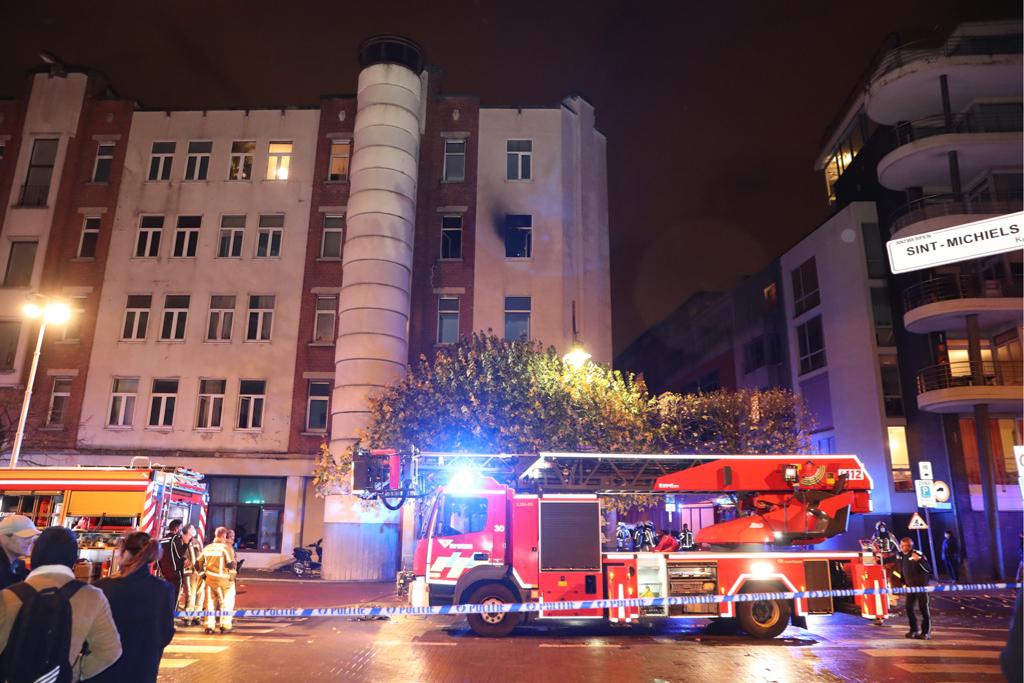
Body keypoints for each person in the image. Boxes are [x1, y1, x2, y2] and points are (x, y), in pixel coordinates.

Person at [0, 526, 121, 681]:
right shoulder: (93, 597)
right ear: (73, 557)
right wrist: (73, 672)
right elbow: (109, 651)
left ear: (36, 553)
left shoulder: (8, 596)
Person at [93, 532, 176, 683]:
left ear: (124, 553)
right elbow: (166, 632)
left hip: (102, 670)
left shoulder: (101, 587)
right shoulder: (164, 590)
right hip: (143, 670)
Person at [893, 536, 932, 639]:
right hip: (910, 587)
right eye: (903, 546)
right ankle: (913, 630)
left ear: (911, 546)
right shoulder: (900, 556)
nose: (905, 548)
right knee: (909, 608)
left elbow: (928, 569)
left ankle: (926, 632)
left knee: (923, 608)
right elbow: (901, 569)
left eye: (908, 546)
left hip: (921, 587)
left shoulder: (917, 554)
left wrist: (919, 561)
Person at [201, 527, 234, 634]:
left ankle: (209, 626)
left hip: (210, 580)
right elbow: (231, 564)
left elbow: (197, 563)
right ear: (224, 536)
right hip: (223, 581)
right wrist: (232, 577)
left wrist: (203, 575)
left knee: (209, 603)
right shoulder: (226, 548)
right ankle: (225, 625)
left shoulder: (207, 548)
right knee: (226, 603)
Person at [0, 514, 39, 589]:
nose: (30, 542)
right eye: (26, 537)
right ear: (3, 537)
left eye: (33, 537)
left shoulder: (18, 565)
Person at [182, 535, 205, 626]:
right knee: (191, 594)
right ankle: (188, 617)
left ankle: (197, 616)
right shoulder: (182, 543)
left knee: (200, 594)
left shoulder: (196, 542)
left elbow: (201, 555)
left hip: (199, 573)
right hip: (189, 572)